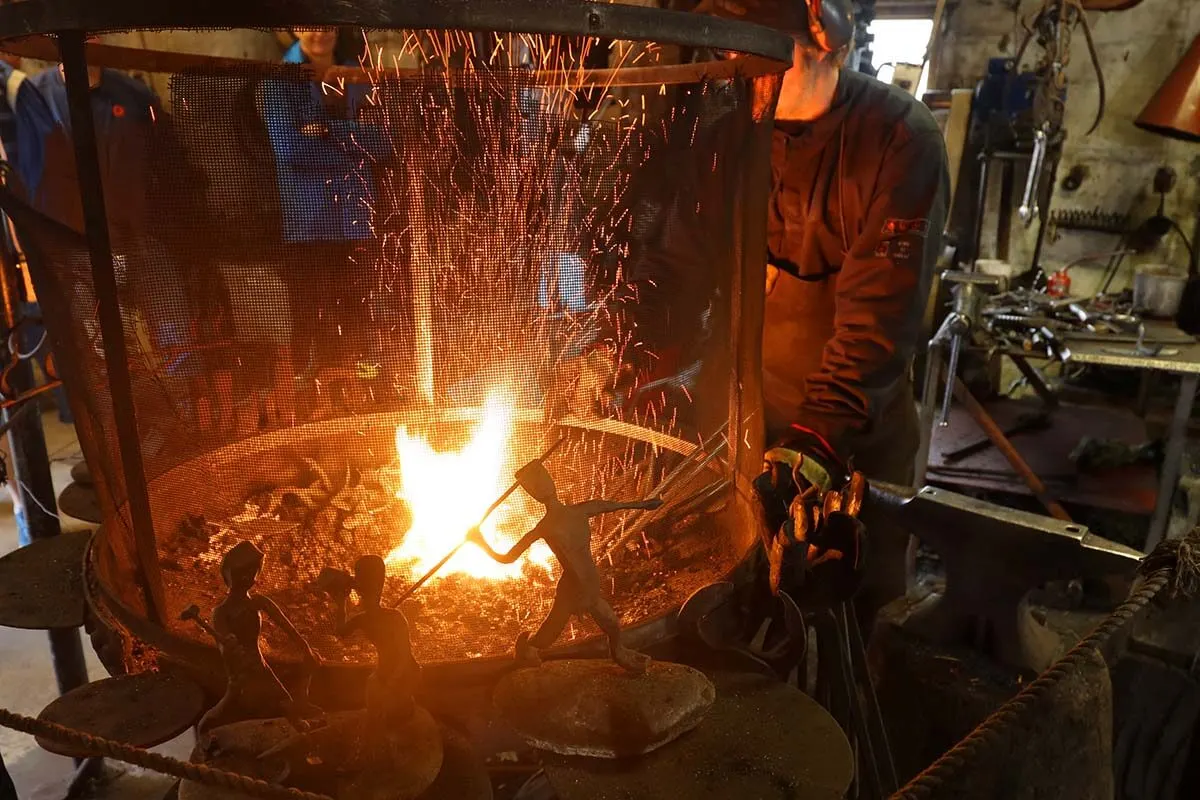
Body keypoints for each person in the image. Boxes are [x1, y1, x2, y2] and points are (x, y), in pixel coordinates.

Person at [702, 0, 949, 626]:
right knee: (747, 616)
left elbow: (875, 323)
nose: (742, 70)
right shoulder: (734, 120)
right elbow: (681, 262)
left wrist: (811, 443)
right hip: (748, 418)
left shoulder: (900, 138)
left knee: (852, 620)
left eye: (765, 56)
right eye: (734, 53)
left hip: (854, 430)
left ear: (828, 48)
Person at [466, 459, 663, 674]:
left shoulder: (580, 510)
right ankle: (527, 651)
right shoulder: (545, 527)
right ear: (534, 494)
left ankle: (618, 651)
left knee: (612, 625)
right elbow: (508, 558)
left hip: (589, 581)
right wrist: (480, 541)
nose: (545, 487)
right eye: (538, 485)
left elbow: (610, 505)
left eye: (545, 480)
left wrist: (643, 504)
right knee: (549, 634)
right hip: (572, 588)